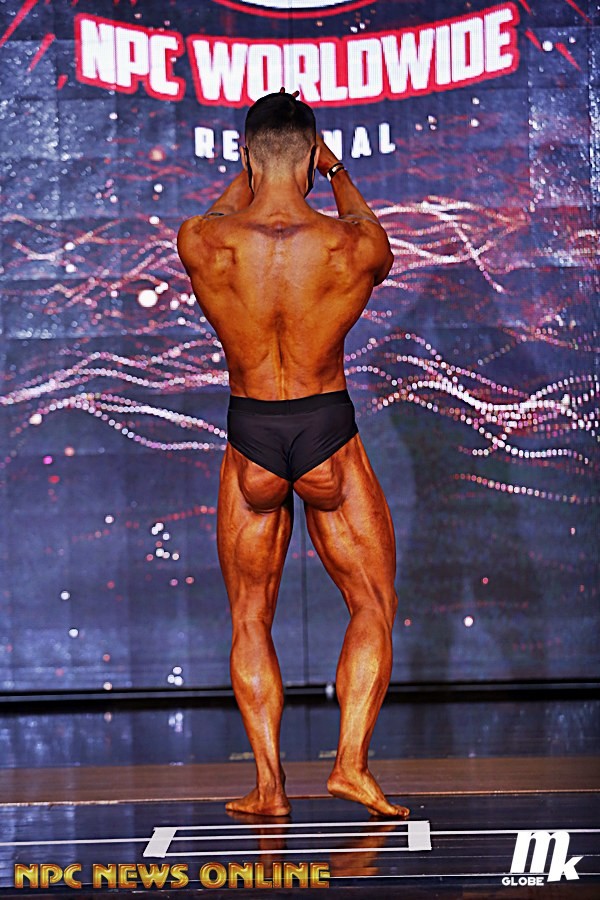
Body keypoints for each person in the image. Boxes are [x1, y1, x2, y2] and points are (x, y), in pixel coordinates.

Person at [177, 89, 409, 819]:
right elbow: (376, 238)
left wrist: (253, 174)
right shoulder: (349, 246)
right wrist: (335, 172)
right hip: (325, 431)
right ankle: (350, 766)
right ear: (311, 154)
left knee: (250, 617)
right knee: (371, 604)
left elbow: (219, 215)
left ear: (247, 157)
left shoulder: (204, 242)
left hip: (251, 436)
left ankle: (270, 787)